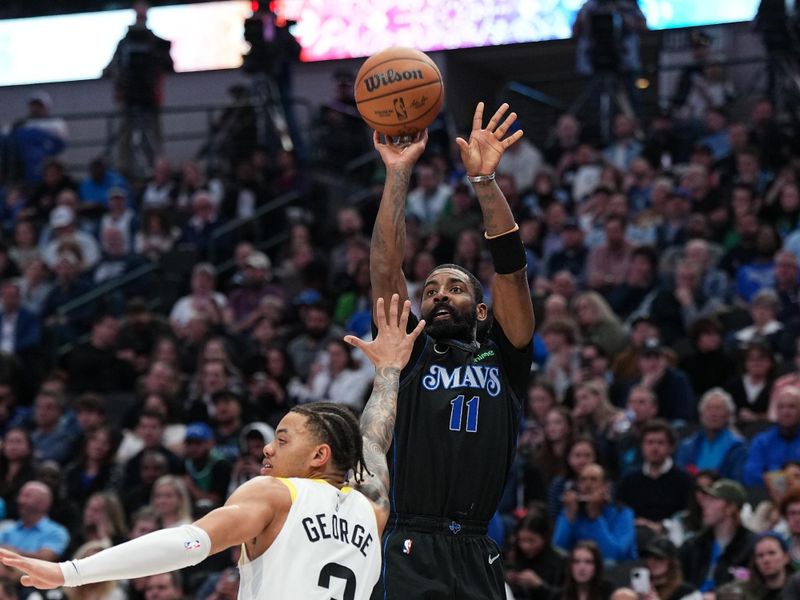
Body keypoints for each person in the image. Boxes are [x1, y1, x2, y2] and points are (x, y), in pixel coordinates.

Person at [0, 294, 423, 600]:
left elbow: (189, 544)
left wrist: (69, 571)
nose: (267, 452)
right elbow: (374, 437)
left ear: (319, 455)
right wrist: (388, 372)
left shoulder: (277, 494)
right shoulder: (374, 507)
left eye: (282, 438)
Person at [368, 102, 535, 599]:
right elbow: (384, 268)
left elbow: (511, 268)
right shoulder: (411, 348)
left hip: (479, 546)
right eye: (432, 289)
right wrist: (398, 174)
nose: (439, 293)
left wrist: (485, 184)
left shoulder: (505, 357)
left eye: (456, 287)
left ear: (482, 312)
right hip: (411, 542)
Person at [102, 0, 173, 178]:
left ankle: (158, 167)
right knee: (125, 134)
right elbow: (112, 65)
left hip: (149, 94)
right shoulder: (125, 42)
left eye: (143, 14)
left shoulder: (156, 42)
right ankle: (124, 168)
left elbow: (168, 65)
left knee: (154, 133)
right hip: (129, 94)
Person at [679, 479, 754, 592]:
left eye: (713, 500)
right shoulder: (693, 545)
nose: (705, 505)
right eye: (706, 500)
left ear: (730, 508)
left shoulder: (751, 546)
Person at [553, 463, 637, 562]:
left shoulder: (623, 513)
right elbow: (558, 550)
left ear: (606, 487)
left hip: (618, 570)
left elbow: (614, 554)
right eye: (583, 480)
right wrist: (569, 517)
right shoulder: (571, 510)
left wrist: (595, 518)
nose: (587, 485)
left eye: (593, 480)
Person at [675, 388, 748, 481]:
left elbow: (737, 482)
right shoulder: (687, 446)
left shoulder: (739, 447)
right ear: (701, 415)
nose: (713, 413)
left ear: (728, 415)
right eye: (709, 408)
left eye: (719, 409)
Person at [639, 536, 699, 600]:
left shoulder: (686, 591)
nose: (651, 562)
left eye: (658, 557)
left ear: (671, 562)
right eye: (648, 557)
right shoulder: (641, 589)